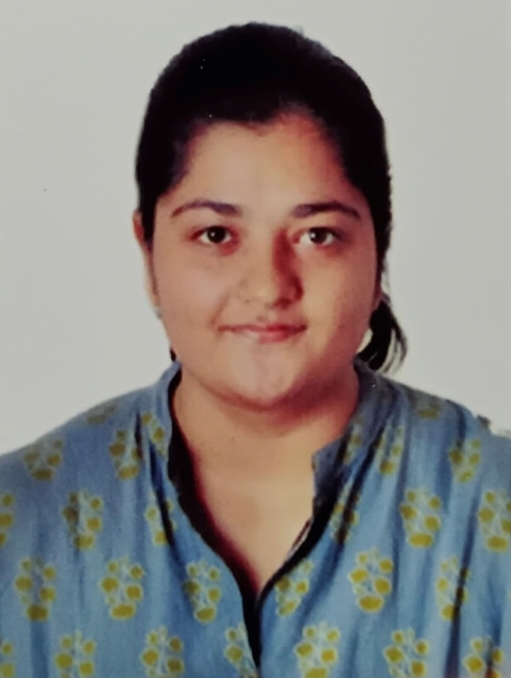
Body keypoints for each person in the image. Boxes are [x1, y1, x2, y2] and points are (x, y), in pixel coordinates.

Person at [0, 22, 510, 678]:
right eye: (216, 234)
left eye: (317, 235)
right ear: (149, 252)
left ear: (378, 254)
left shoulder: (493, 511)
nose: (268, 286)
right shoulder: (19, 521)